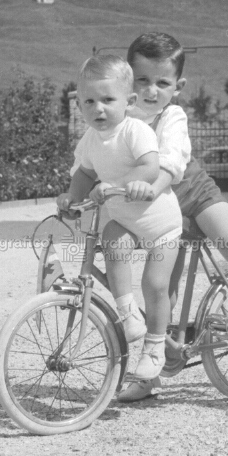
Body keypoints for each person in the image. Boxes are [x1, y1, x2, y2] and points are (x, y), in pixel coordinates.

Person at [118, 32, 228, 402]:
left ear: (178, 87)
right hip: (163, 212)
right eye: (142, 80)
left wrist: (151, 185)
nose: (152, 90)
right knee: (159, 288)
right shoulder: (120, 119)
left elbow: (170, 161)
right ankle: (152, 372)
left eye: (162, 82)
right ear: (127, 79)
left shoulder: (172, 117)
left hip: (194, 195)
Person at [57, 54, 182, 380]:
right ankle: (128, 315)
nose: (98, 108)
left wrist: (130, 182)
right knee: (112, 239)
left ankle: (155, 347)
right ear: (79, 105)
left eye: (108, 100)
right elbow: (84, 173)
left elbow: (149, 166)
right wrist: (72, 197)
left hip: (161, 224)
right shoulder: (90, 139)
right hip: (126, 221)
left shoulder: (134, 130)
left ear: (128, 102)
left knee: (155, 284)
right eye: (89, 101)